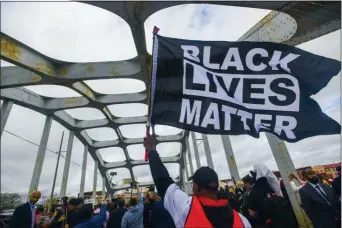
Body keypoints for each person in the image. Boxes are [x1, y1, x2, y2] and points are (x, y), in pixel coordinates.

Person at [143, 137, 251, 228]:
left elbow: (163, 182)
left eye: (194, 185)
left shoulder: (187, 208)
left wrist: (151, 150)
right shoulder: (242, 221)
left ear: (198, 188)